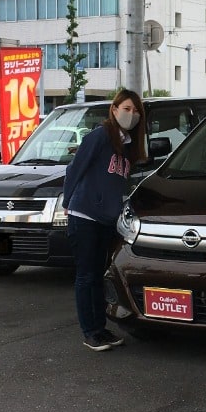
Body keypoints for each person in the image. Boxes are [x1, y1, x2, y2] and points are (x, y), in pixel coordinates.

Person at [63, 88, 147, 351]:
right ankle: (90, 331)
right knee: (86, 276)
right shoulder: (99, 136)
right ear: (114, 109)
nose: (131, 115)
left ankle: (100, 329)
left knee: (98, 276)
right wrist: (67, 203)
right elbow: (74, 169)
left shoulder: (127, 146)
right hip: (85, 216)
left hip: (105, 221)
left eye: (135, 111)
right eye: (126, 109)